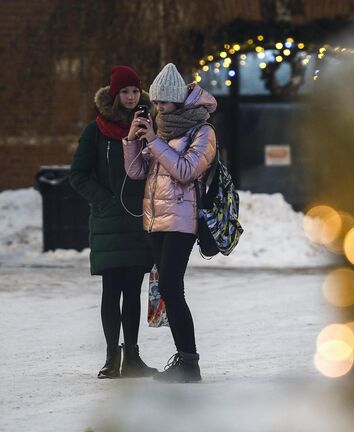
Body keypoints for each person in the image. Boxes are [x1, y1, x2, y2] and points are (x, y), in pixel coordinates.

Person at [123, 63, 217, 383]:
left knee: (172, 288)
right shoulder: (160, 129)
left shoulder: (202, 131)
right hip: (155, 220)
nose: (158, 107)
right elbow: (136, 173)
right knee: (167, 288)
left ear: (178, 100)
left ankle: (190, 362)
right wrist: (133, 140)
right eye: (156, 103)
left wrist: (154, 140)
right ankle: (185, 360)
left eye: (163, 102)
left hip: (182, 219)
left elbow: (187, 170)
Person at [70, 66, 158, 379]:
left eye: (135, 91)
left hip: (138, 221)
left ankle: (132, 356)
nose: (131, 96)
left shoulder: (149, 126)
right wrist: (104, 201)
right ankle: (111, 358)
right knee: (111, 290)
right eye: (125, 91)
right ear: (114, 94)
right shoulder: (96, 130)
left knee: (133, 290)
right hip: (108, 221)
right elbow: (78, 174)